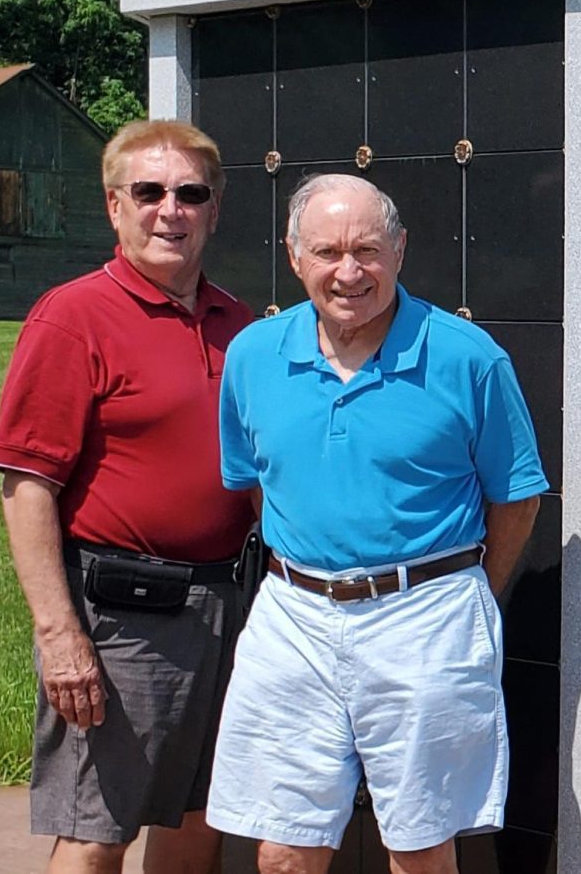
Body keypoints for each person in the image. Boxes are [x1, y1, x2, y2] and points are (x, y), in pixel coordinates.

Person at [207, 174, 548, 874]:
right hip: (293, 617)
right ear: (294, 255)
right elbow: (254, 488)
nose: (349, 270)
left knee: (419, 847)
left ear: (399, 249)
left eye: (368, 248)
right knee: (280, 851)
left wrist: (467, 590)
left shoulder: (469, 358)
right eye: (328, 250)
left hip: (427, 616)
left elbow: (517, 501)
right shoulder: (251, 356)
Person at [0, 121, 253, 874]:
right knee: (100, 827)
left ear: (215, 208)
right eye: (150, 192)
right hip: (120, 617)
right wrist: (59, 635)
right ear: (114, 206)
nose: (171, 209)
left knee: (202, 814)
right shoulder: (73, 317)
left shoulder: (242, 325)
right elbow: (26, 484)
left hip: (228, 606)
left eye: (190, 193)